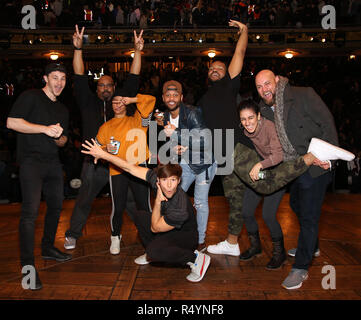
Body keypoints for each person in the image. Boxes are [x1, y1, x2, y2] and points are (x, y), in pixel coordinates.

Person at [255, 69, 354, 289]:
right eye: (259, 87)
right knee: (295, 203)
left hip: (317, 162)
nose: (264, 90)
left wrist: (329, 160)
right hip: (295, 166)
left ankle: (301, 267)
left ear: (277, 80)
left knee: (309, 216)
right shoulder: (264, 109)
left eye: (267, 84)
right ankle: (313, 244)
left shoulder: (303, 95)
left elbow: (327, 124)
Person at [236, 99, 354, 269]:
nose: (247, 123)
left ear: (259, 116)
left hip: (278, 173)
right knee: (246, 211)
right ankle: (255, 246)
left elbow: (278, 156)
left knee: (268, 215)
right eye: (243, 119)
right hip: (261, 172)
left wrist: (259, 164)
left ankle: (279, 253)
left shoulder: (269, 127)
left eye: (251, 118)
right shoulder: (245, 132)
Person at [81, 139, 211, 283]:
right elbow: (130, 168)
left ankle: (195, 259)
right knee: (140, 215)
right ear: (158, 180)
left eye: (173, 180)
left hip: (186, 237)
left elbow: (155, 228)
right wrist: (104, 155)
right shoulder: (157, 180)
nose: (168, 185)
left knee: (155, 250)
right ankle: (152, 252)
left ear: (179, 181)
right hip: (169, 227)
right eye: (164, 180)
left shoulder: (179, 207)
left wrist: (157, 201)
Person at [64, 25, 146, 251]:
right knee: (84, 199)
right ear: (97, 87)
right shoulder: (87, 101)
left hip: (121, 162)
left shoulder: (121, 104)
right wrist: (78, 48)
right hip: (95, 162)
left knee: (129, 201)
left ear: (114, 88)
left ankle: (146, 234)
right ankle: (72, 234)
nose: (106, 88)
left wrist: (137, 51)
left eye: (110, 85)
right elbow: (79, 75)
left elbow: (134, 75)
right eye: (102, 85)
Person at [7, 63, 71, 290]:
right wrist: (44, 129)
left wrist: (58, 138)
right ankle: (28, 270)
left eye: (62, 78)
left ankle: (47, 248)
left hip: (53, 162)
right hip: (31, 162)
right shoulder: (31, 96)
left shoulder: (63, 109)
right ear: (45, 78)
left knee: (55, 207)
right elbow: (12, 122)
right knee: (29, 214)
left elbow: (63, 141)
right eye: (55, 77)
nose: (59, 83)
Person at [159, 80, 217, 252]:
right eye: (168, 95)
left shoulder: (192, 112)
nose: (171, 98)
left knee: (199, 202)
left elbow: (205, 141)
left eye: (175, 95)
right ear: (163, 98)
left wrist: (179, 136)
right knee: (175, 197)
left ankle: (200, 241)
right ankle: (177, 234)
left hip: (204, 163)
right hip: (185, 161)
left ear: (181, 97)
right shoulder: (164, 116)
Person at [95, 92, 155, 254]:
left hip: (139, 168)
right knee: (118, 206)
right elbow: (96, 148)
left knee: (144, 206)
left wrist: (132, 99)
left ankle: (150, 237)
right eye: (115, 102)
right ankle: (115, 236)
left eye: (122, 101)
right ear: (110, 106)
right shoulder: (105, 127)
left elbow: (151, 100)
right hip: (116, 170)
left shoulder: (138, 120)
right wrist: (104, 149)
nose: (118, 104)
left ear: (126, 103)